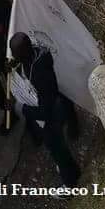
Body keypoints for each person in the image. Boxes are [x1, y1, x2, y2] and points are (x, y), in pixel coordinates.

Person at [9, 32, 80, 187]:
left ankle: (70, 183)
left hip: (51, 112)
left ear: (22, 54)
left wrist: (23, 109)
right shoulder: (35, 54)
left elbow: (45, 112)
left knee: (57, 149)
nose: (13, 57)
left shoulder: (39, 74)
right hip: (52, 103)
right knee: (59, 148)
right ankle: (73, 170)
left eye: (15, 54)